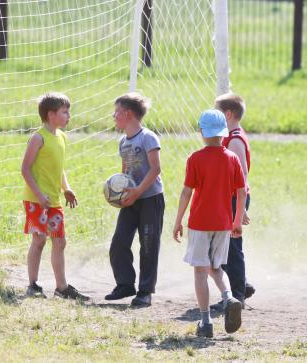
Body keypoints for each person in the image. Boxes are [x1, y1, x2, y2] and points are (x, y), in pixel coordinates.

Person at [173, 109, 247, 338]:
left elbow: (186, 192)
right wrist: (236, 221)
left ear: (201, 132)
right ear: (223, 132)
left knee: (199, 272)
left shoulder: (195, 158)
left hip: (199, 223)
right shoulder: (232, 158)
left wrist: (177, 221)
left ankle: (205, 323)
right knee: (216, 268)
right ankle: (229, 297)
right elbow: (241, 192)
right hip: (224, 223)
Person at [21, 92, 89, 301]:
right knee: (39, 240)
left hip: (54, 200)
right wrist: (39, 194)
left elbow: (59, 169)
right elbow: (25, 169)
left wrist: (66, 188)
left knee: (60, 242)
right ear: (51, 114)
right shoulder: (38, 137)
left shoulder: (62, 137)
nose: (69, 115)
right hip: (36, 200)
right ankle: (33, 284)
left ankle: (62, 287)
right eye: (65, 112)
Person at [105, 92, 164, 308]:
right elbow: (125, 172)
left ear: (128, 113)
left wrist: (138, 191)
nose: (114, 116)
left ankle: (145, 292)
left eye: (116, 112)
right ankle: (125, 284)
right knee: (119, 243)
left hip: (150, 199)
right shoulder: (123, 141)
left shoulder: (147, 137)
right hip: (131, 199)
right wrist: (120, 193)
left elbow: (156, 169)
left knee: (148, 245)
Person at [211, 93, 255, 311]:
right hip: (228, 198)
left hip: (234, 198)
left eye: (217, 111)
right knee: (226, 245)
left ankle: (236, 295)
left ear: (228, 114)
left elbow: (242, 175)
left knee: (231, 247)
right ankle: (242, 285)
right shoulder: (229, 135)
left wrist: (241, 206)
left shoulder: (235, 139)